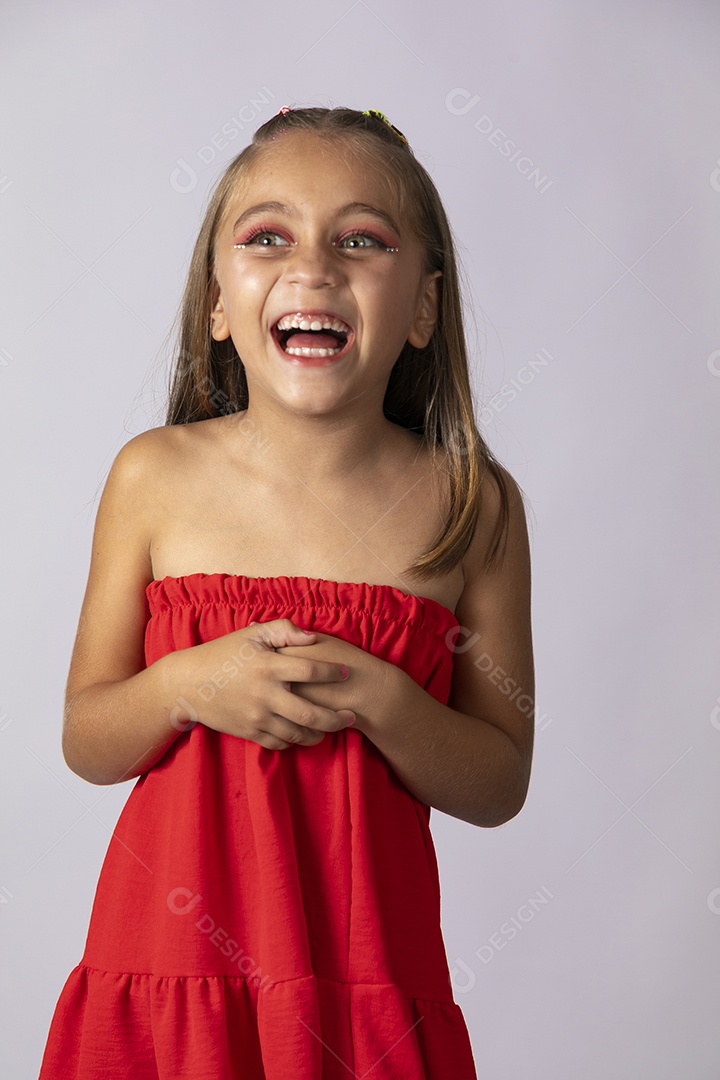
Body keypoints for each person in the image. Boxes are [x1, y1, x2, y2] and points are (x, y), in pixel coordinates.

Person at [38, 105, 535, 1079]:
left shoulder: (474, 505)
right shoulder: (153, 477)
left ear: (425, 309)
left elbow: (500, 777)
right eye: (268, 236)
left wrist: (387, 702)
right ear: (218, 303)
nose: (314, 267)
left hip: (363, 992)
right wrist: (188, 685)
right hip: (170, 974)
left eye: (362, 239)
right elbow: (87, 736)